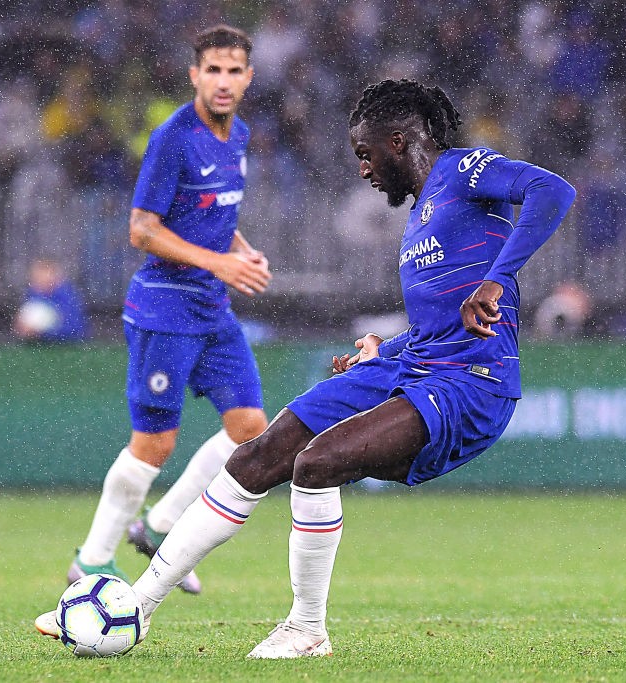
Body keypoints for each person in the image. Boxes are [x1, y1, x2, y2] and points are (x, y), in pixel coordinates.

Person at [37, 78, 575, 658]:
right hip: (412, 366)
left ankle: (306, 628)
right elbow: (436, 327)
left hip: (471, 385)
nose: (364, 170)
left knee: (316, 465)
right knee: (257, 455)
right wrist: (385, 350)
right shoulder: (423, 213)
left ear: (398, 141)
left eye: (366, 154)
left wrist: (497, 280)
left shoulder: (465, 169)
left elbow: (553, 190)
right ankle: (139, 605)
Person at [53, 24, 272, 597]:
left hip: (211, 308)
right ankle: (92, 560)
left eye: (234, 71)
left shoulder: (238, 135)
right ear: (195, 75)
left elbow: (211, 210)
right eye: (213, 70)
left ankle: (160, 525)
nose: (223, 81)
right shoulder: (173, 138)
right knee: (155, 444)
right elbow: (142, 229)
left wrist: (240, 250)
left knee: (250, 431)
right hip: (165, 308)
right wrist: (221, 263)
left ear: (248, 78)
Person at [13, 258, 90, 343]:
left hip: (65, 346)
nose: (41, 281)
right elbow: (20, 326)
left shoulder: (67, 297)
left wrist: (41, 333)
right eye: (38, 278)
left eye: (45, 277)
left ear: (56, 277)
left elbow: (75, 329)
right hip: (37, 346)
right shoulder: (32, 297)